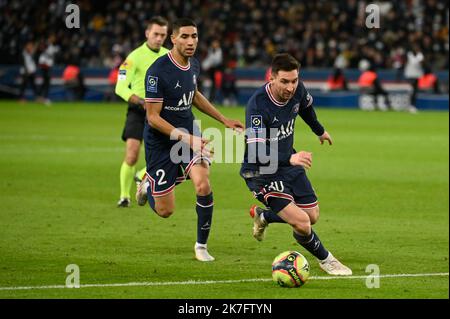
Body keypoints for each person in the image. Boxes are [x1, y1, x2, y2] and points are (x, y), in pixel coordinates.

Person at [136, 18, 244, 261]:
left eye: (194, 36)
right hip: (161, 140)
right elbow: (152, 117)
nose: (191, 41)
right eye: (184, 36)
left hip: (189, 133)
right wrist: (185, 137)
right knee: (166, 211)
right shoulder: (157, 71)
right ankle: (147, 183)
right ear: (172, 39)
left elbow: (193, 94)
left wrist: (223, 119)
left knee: (203, 184)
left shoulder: (193, 65)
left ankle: (201, 246)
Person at [240, 53, 352, 275]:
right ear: (271, 78)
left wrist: (319, 130)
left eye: (294, 81)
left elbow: (306, 108)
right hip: (262, 171)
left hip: (288, 163)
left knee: (312, 216)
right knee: (302, 223)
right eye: (284, 81)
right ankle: (327, 260)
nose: (290, 87)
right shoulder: (257, 106)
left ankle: (264, 216)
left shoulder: (297, 90)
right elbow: (257, 151)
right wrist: (290, 158)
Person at [114, 17, 170, 208]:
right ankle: (124, 196)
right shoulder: (133, 57)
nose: (159, 38)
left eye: (163, 35)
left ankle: (142, 175)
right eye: (156, 34)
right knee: (131, 155)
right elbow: (120, 87)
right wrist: (141, 101)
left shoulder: (168, 56)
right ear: (147, 33)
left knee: (167, 154)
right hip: (138, 111)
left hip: (161, 112)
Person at [38, 34, 59, 105]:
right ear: (49, 38)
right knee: (46, 82)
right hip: (44, 65)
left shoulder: (52, 46)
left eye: (54, 38)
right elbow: (41, 48)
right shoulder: (46, 44)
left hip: (48, 65)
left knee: (46, 82)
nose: (53, 39)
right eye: (52, 38)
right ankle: (44, 98)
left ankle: (41, 97)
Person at [404, 45, 424, 112]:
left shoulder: (420, 55)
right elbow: (407, 62)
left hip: (417, 75)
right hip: (409, 75)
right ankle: (409, 105)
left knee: (414, 91)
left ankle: (412, 105)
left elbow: (422, 63)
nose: (416, 48)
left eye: (417, 47)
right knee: (410, 91)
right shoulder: (409, 54)